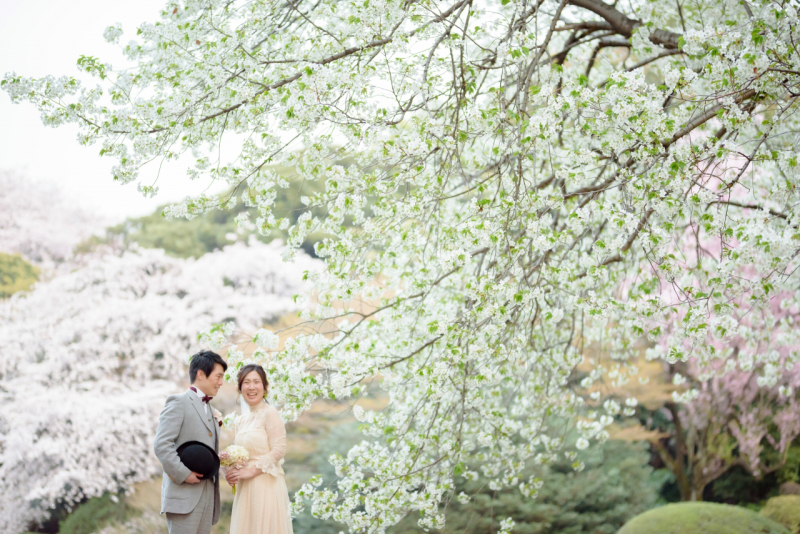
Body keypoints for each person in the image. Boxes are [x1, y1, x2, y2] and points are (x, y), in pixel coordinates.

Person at [154, 350, 227, 534]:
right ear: (201, 374)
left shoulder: (211, 410)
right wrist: (184, 474)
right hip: (183, 496)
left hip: (208, 496)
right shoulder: (178, 402)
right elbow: (162, 444)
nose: (221, 382)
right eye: (218, 376)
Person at [226, 363, 293, 534]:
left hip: (266, 485)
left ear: (265, 387)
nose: (251, 387)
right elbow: (242, 454)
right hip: (245, 489)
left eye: (256, 382)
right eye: (246, 382)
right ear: (240, 388)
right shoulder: (241, 420)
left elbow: (279, 450)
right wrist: (233, 470)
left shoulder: (270, 413)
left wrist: (251, 472)